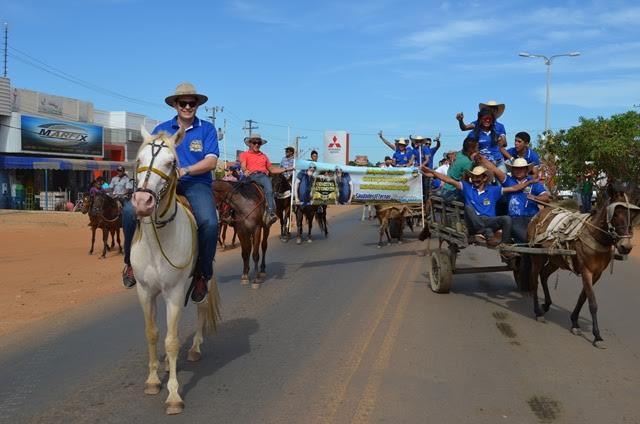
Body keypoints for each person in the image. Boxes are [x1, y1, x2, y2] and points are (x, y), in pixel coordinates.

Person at [122, 82, 219, 304]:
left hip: (196, 183)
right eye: (182, 103)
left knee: (210, 223)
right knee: (129, 211)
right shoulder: (161, 130)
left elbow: (212, 161)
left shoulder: (207, 129)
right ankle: (129, 263)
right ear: (175, 105)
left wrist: (186, 169)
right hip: (165, 184)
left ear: (197, 105)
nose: (187, 106)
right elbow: (149, 158)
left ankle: (203, 275)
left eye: (191, 103)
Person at [423, 159, 534, 248]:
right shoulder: (466, 187)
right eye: (473, 177)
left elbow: (514, 188)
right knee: (468, 207)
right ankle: (484, 231)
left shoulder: (493, 190)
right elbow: (450, 180)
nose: (475, 179)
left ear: (484, 178)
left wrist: (529, 182)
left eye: (478, 177)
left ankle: (504, 246)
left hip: (489, 221)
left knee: (507, 219)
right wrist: (432, 172)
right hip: (473, 223)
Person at [239, 133, 293, 225]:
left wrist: (287, 169)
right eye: (254, 142)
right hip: (250, 175)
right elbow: (243, 166)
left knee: (269, 190)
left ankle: (271, 213)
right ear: (250, 143)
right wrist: (245, 170)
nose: (257, 144)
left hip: (262, 176)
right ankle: (232, 213)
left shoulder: (264, 156)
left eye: (258, 143)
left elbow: (272, 169)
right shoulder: (244, 154)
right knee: (238, 189)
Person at [501, 158, 549, 243]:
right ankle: (531, 245)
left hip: (533, 218)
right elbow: (494, 169)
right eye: (516, 168)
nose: (519, 170)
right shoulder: (508, 180)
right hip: (514, 218)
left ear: (526, 170)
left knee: (544, 233)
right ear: (512, 170)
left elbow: (546, 198)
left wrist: (535, 197)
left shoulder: (533, 182)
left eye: (521, 168)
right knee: (525, 237)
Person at [439, 137, 479, 203]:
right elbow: (465, 183)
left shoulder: (458, 154)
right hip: (451, 193)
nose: (478, 150)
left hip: (445, 189)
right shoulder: (467, 162)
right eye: (477, 147)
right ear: (470, 149)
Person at [468, 108, 507, 173]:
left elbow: (504, 144)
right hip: (484, 164)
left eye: (489, 119)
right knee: (486, 182)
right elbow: (468, 149)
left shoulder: (497, 131)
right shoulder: (473, 134)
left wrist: (502, 140)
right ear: (480, 119)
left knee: (504, 182)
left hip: (499, 162)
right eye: (485, 119)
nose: (487, 120)